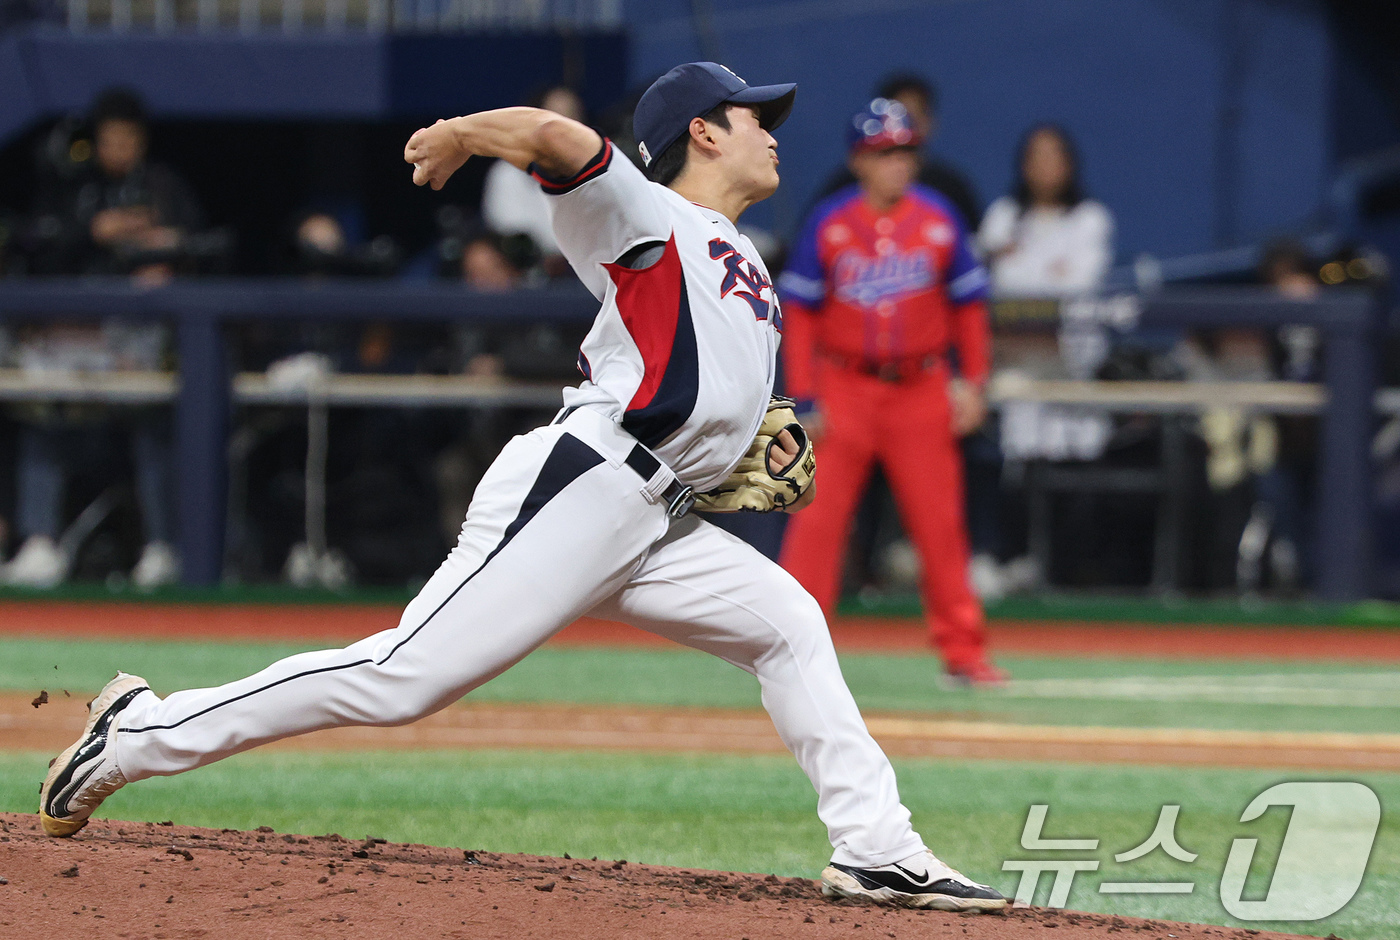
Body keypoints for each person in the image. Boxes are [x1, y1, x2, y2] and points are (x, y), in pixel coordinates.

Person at [39, 62, 1007, 913]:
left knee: (788, 622)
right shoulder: (643, 211)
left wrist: (739, 445)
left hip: (655, 515)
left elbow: (692, 386)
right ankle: (136, 735)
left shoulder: (741, 256)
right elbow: (552, 138)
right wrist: (463, 135)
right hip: (582, 486)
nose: (771, 130)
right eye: (753, 115)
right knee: (402, 677)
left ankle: (875, 847)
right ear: (702, 133)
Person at [778, 99, 1004, 686]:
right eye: (884, 153)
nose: (897, 164)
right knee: (816, 524)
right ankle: (790, 657)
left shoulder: (938, 217)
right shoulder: (830, 222)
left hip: (920, 386)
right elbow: (798, 313)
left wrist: (973, 382)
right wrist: (803, 396)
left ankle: (963, 652)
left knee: (939, 526)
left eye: (905, 152)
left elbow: (970, 307)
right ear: (860, 161)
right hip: (845, 385)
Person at [817, 73, 980, 227]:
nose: (906, 123)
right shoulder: (837, 201)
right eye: (885, 153)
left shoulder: (948, 192)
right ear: (857, 161)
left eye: (915, 116)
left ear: (931, 122)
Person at [977, 124, 1113, 296]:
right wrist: (1052, 271)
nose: (1044, 164)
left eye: (1053, 156)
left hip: (1072, 323)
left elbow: (1082, 284)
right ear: (1024, 165)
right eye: (1037, 156)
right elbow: (996, 281)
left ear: (1069, 164)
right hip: (1008, 321)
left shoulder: (1091, 217)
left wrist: (1020, 264)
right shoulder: (1003, 214)